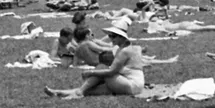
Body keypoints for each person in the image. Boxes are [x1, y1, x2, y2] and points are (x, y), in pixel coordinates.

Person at [44, 20, 175, 98]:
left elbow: (111, 72)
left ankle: (79, 92)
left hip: (130, 85)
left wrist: (91, 72)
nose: (110, 38)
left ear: (120, 37)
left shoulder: (125, 51)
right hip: (129, 84)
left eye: (113, 36)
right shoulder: (124, 48)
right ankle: (59, 92)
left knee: (101, 68)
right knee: (91, 90)